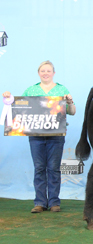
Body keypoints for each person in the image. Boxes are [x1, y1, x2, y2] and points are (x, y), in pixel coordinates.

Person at [2, 60, 76, 213]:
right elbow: (19, 108)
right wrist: (9, 99)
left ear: (53, 73)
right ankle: (40, 202)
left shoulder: (61, 89)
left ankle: (54, 202)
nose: (46, 73)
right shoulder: (31, 90)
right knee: (39, 168)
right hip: (35, 136)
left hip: (56, 135)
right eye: (43, 71)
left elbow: (72, 111)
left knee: (54, 168)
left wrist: (70, 102)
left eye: (48, 71)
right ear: (38, 73)